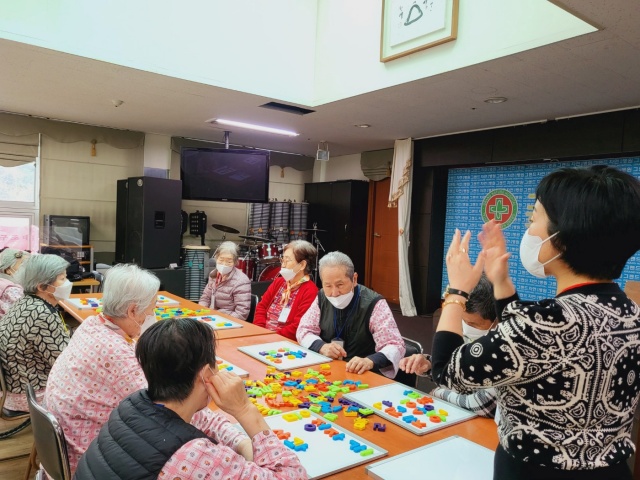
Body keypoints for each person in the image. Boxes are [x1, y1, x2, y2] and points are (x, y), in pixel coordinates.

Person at [432, 165, 640, 479]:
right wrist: (501, 282)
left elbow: (447, 371)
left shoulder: (541, 323)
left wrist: (456, 292)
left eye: (534, 219)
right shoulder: (630, 313)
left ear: (562, 239)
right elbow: (528, 346)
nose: (529, 230)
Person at [75, 318, 307, 480]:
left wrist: (243, 444)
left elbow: (204, 419)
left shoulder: (134, 404)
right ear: (206, 374)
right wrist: (245, 409)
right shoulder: (193, 456)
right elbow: (294, 476)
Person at [44, 264, 161, 475]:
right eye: (152, 309)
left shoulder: (92, 324)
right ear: (132, 310)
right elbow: (159, 407)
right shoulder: (115, 351)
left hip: (62, 444)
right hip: (87, 460)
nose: (153, 315)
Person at [399, 274, 498, 418]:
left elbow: (484, 404)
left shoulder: (509, 343)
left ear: (496, 319)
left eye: (473, 324)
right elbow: (461, 371)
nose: (465, 328)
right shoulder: (468, 332)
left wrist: (441, 394)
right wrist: (430, 365)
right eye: (462, 320)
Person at [297, 251, 405, 378]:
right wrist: (322, 347)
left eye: (340, 285)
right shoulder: (321, 297)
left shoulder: (374, 304)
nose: (334, 293)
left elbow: (395, 345)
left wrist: (369, 361)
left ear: (354, 279)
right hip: (328, 369)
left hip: (362, 374)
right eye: (328, 286)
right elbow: (304, 330)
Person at [0, 254, 70, 412]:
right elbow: (64, 363)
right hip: (31, 396)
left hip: (15, 389)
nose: (67, 283)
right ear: (42, 286)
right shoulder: (42, 314)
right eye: (62, 279)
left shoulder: (25, 302)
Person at [254, 240, 318, 340]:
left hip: (284, 341)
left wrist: (272, 337)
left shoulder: (310, 291)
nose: (283, 265)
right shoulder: (279, 282)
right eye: (282, 260)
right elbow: (261, 307)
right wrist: (259, 331)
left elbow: (298, 325)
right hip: (261, 334)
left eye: (287, 261)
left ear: (302, 265)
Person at [199, 241, 251, 320]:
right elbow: (205, 298)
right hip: (212, 316)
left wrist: (219, 316)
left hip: (228, 319)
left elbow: (241, 313)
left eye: (229, 261)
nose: (224, 264)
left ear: (235, 262)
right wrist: (201, 312)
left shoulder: (241, 281)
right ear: (216, 258)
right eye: (221, 260)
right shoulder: (214, 275)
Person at [0, 248, 28, 318]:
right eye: (23, 265)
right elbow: (24, 314)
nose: (27, 269)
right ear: (7, 269)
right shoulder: (11, 289)